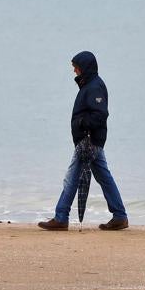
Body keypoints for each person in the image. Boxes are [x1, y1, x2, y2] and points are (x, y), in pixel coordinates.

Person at [38, 50, 129, 231]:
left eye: (76, 68)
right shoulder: (89, 85)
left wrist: (81, 123)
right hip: (91, 140)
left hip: (89, 141)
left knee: (72, 178)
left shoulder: (95, 87)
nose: (74, 71)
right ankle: (120, 216)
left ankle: (61, 217)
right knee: (104, 177)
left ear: (84, 68)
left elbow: (100, 114)